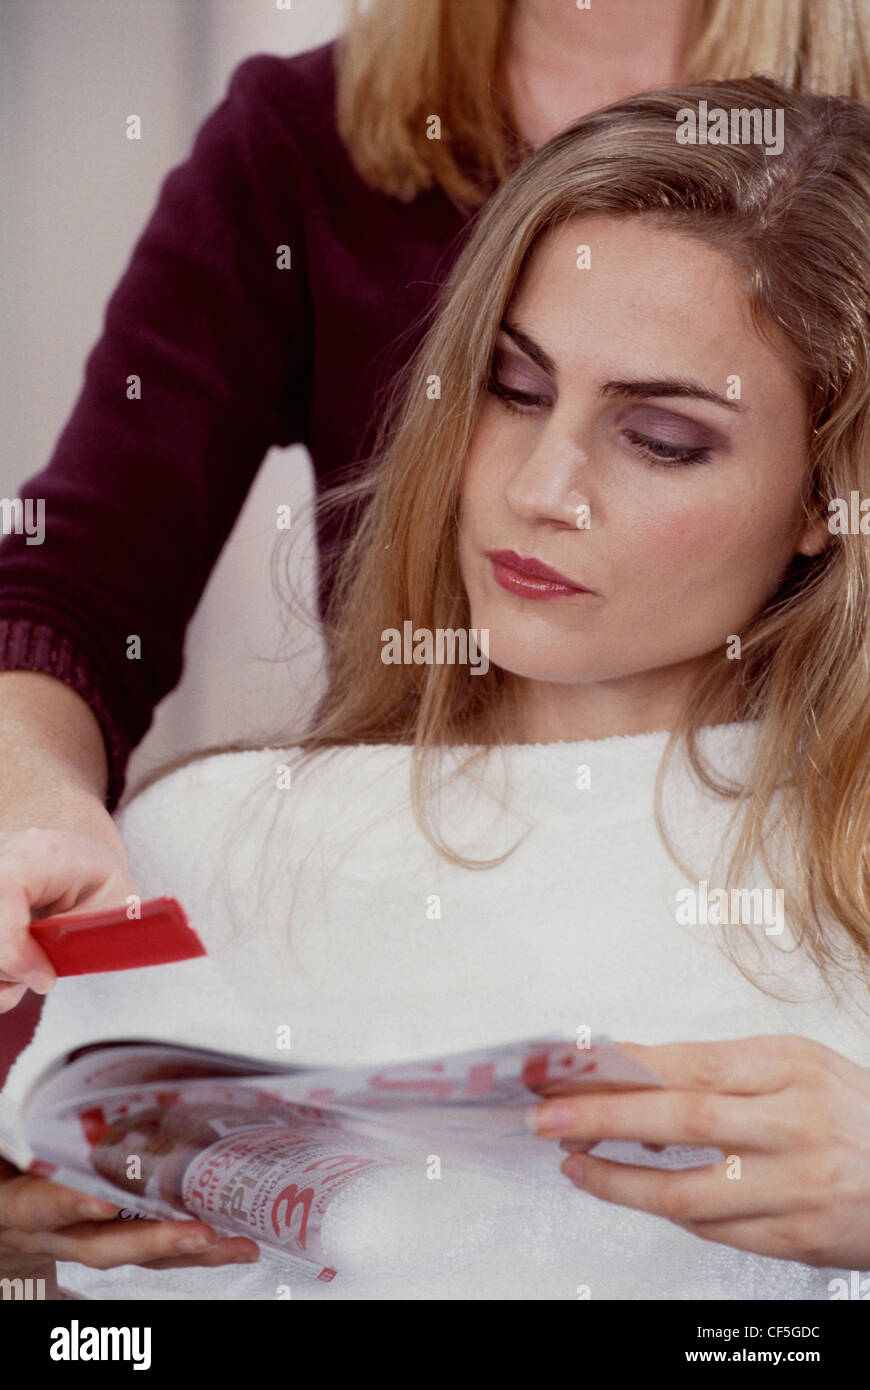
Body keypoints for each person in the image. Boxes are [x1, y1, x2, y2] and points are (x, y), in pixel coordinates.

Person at [3, 75, 870, 1300]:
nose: (539, 487)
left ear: (828, 499)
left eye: (661, 440)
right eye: (512, 389)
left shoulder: (840, 875)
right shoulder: (204, 851)